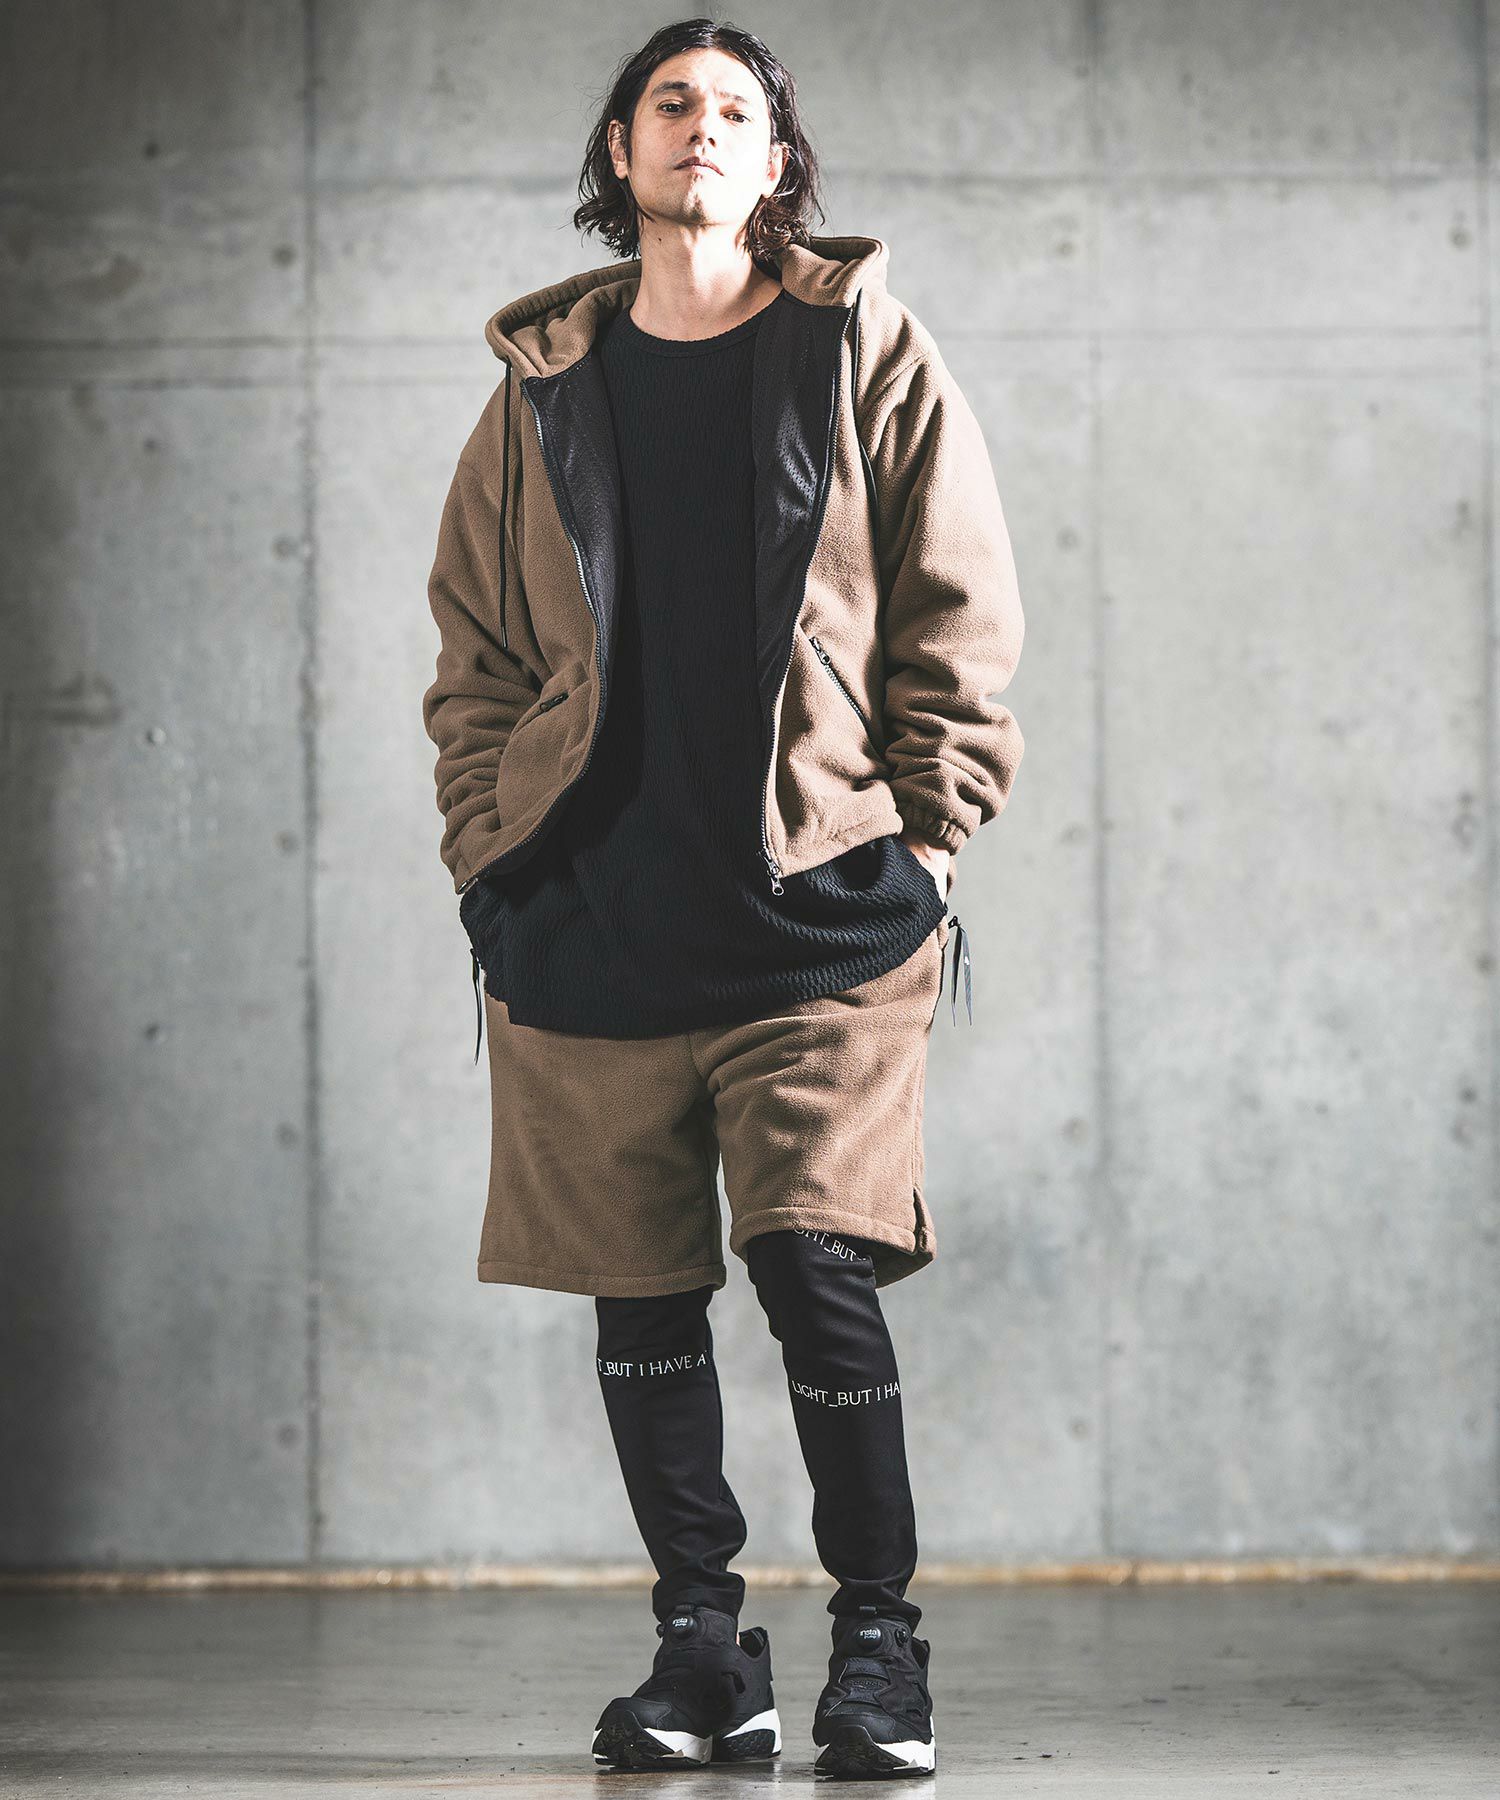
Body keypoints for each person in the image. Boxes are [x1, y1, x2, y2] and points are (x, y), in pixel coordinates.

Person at [420, 16, 1024, 1780]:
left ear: (778, 164)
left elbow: (959, 612)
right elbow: (476, 656)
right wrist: (489, 856)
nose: (701, 125)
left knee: (815, 1263)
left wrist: (929, 838)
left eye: (735, 108)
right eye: (668, 102)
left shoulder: (864, 347)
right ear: (621, 153)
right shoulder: (540, 389)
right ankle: (704, 1649)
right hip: (595, 917)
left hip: (816, 910)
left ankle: (878, 1650)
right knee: (639, 1295)